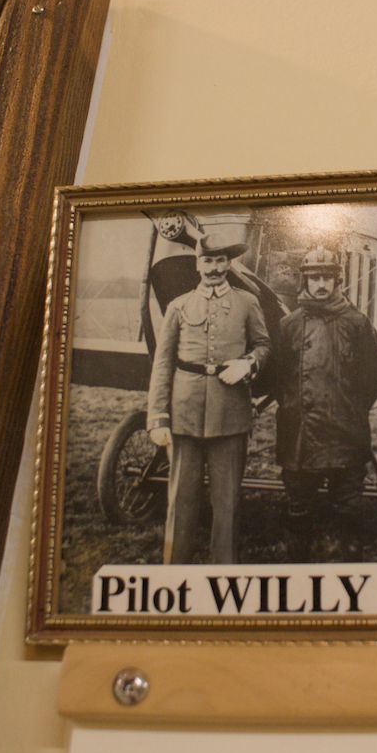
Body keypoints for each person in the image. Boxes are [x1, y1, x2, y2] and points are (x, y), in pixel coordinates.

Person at [146, 233, 271, 563]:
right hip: (184, 414)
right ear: (197, 264)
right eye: (207, 261)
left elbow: (264, 345)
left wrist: (248, 363)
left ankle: (223, 569)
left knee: (227, 500)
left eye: (220, 261)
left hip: (230, 414)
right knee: (181, 498)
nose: (214, 268)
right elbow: (163, 365)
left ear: (229, 264)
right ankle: (174, 569)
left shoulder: (248, 302)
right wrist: (158, 417)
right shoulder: (179, 306)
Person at [274, 246, 377, 560]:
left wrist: (349, 408)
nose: (321, 284)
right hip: (298, 434)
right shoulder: (289, 326)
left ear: (337, 281)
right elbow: (279, 378)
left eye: (327, 278)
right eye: (315, 278)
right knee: (298, 507)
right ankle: (298, 560)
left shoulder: (357, 323)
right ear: (305, 281)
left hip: (345, 432)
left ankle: (348, 560)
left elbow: (374, 378)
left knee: (347, 506)